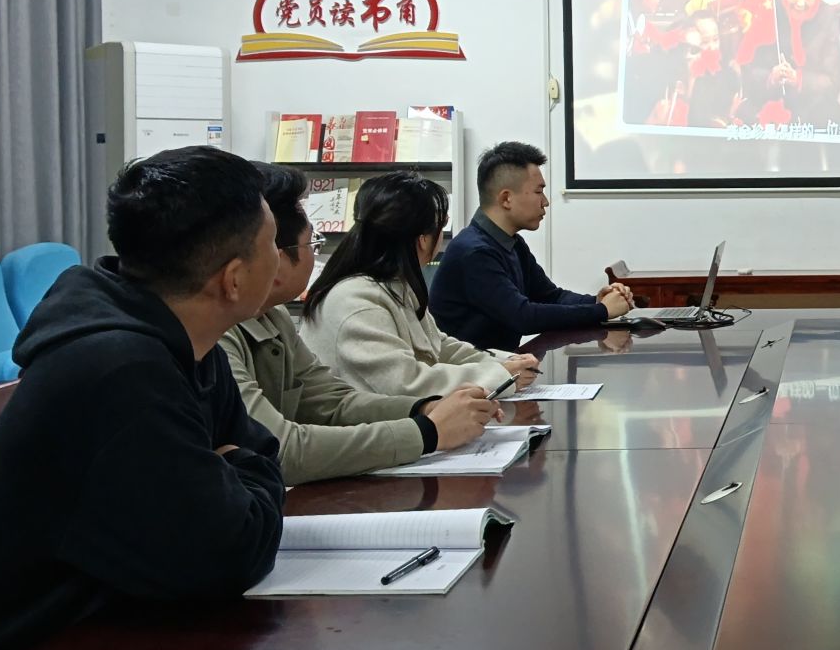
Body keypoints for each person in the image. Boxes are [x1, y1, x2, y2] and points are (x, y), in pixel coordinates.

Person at [0, 146, 287, 650]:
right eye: (273, 243)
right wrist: (236, 474)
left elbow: (255, 459)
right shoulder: (119, 370)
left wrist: (235, 471)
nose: (282, 257)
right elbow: (228, 555)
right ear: (233, 278)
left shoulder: (188, 347)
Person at [223, 165, 505, 484]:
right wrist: (427, 431)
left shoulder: (273, 316)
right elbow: (282, 449)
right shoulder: (218, 335)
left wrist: (425, 409)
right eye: (312, 244)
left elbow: (332, 402)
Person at [302, 172, 537, 397]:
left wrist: (501, 362)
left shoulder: (393, 285)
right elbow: (406, 382)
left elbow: (438, 345)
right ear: (423, 239)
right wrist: (500, 375)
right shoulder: (357, 301)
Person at [429, 140, 632, 352]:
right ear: (506, 198)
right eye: (538, 191)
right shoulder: (474, 252)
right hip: (468, 370)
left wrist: (596, 301)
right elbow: (522, 316)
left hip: (500, 365)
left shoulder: (512, 243)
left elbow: (551, 296)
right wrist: (602, 311)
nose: (545, 201)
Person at [746, 0, 840, 128]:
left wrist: (798, 79)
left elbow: (832, 83)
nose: (801, 3)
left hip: (811, 112)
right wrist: (770, 77)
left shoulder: (828, 16)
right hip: (770, 107)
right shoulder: (770, 10)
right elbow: (749, 71)